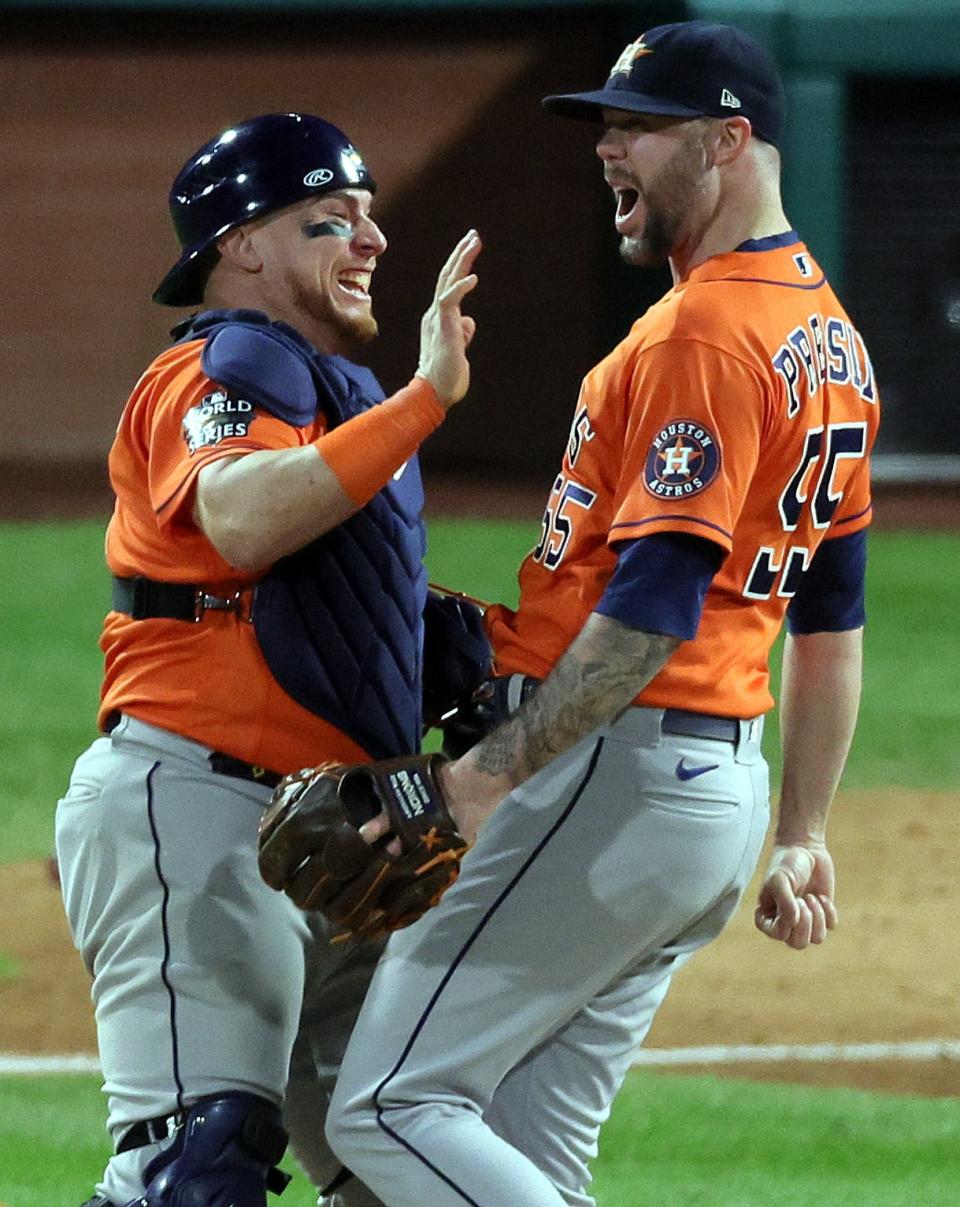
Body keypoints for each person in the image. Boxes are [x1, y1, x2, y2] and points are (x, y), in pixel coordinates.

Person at [323, 21, 879, 1206]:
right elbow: (830, 621)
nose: (607, 150)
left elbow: (650, 615)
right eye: (604, 128)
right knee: (514, 1163)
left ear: (732, 140)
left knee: (385, 1106)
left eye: (637, 128)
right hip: (703, 804)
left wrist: (480, 781)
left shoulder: (706, 336)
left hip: (606, 774)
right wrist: (800, 829)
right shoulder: (828, 336)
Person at [54, 111, 480, 1207]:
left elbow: (335, 598)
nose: (371, 241)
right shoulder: (213, 370)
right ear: (240, 245)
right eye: (328, 222)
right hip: (200, 811)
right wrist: (428, 399)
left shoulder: (334, 403)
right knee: (193, 1169)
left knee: (408, 1166)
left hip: (343, 851)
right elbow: (241, 521)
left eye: (371, 220)